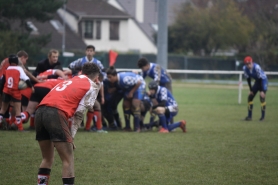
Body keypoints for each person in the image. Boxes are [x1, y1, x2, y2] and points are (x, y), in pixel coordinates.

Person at [35, 62, 101, 185]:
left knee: (47, 158)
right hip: (55, 113)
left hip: (40, 111)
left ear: (82, 72)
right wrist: (71, 137)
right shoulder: (91, 85)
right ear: (96, 77)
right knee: (68, 159)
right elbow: (79, 114)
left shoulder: (71, 79)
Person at [69, 45, 106, 133]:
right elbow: (70, 66)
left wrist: (102, 95)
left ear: (94, 52)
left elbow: (103, 74)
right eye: (88, 50)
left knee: (91, 107)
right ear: (86, 52)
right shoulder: (80, 61)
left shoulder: (98, 62)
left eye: (91, 51)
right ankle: (95, 128)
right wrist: (76, 74)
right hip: (82, 87)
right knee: (93, 106)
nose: (89, 52)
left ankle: (88, 127)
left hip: (91, 88)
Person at [0, 55, 34, 131]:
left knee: (3, 109)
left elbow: (2, 81)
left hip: (6, 91)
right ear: (16, 62)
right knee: (18, 110)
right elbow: (26, 79)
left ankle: (1, 124)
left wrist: (1, 92)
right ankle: (20, 128)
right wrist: (31, 87)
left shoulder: (7, 69)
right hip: (15, 92)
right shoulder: (19, 69)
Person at [106, 67, 146, 132]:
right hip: (130, 87)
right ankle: (128, 127)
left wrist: (131, 92)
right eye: (108, 77)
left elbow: (139, 82)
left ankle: (137, 128)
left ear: (115, 76)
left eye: (110, 77)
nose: (109, 79)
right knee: (125, 105)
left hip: (139, 86)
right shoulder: (117, 80)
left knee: (135, 104)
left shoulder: (124, 79)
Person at [243, 56, 268, 121]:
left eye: (250, 63)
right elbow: (248, 79)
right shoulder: (245, 68)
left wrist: (262, 90)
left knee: (262, 98)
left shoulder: (257, 67)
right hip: (257, 81)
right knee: (250, 97)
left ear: (252, 62)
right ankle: (249, 116)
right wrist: (251, 90)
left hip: (263, 80)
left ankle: (262, 117)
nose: (249, 65)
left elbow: (260, 78)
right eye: (247, 64)